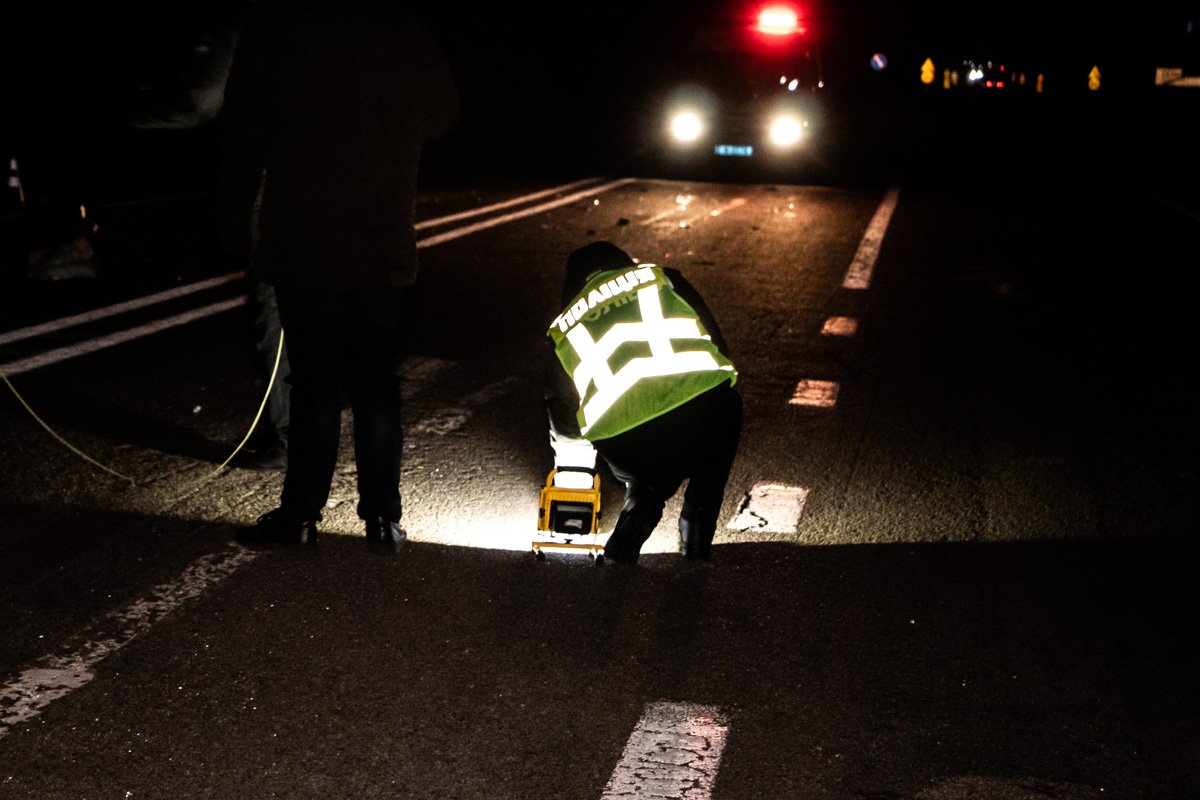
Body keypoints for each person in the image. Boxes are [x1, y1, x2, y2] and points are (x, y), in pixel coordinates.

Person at [219, 0, 460, 547]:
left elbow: (242, 127)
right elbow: (444, 113)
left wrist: (235, 222)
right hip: (382, 232)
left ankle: (300, 517)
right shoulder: (401, 24)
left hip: (305, 235)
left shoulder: (279, 23)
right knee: (377, 382)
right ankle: (384, 519)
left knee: (315, 384)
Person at [544, 241, 743, 565]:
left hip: (628, 445)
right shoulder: (661, 278)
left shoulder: (564, 325)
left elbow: (564, 409)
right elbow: (716, 340)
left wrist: (572, 479)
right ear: (624, 262)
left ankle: (643, 500)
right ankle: (696, 534)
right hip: (704, 418)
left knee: (645, 465)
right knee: (716, 436)